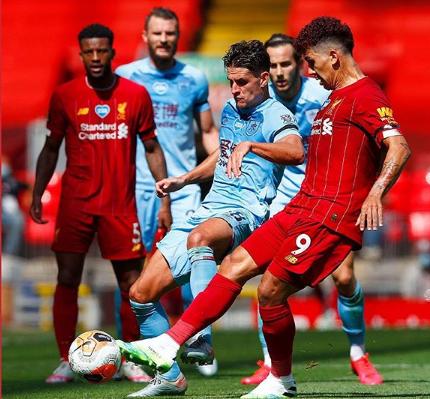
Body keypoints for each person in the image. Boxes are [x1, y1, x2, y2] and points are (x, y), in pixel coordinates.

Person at [116, 17, 411, 399]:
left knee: (272, 290)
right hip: (300, 207)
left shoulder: (366, 96)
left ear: (334, 57)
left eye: (311, 62)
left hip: (329, 215)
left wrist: (376, 193)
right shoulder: (332, 98)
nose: (309, 71)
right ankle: (171, 342)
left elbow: (399, 146)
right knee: (235, 265)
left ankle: (282, 380)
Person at [117, 39, 304, 397]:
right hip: (208, 207)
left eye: (242, 82)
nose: (234, 90)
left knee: (200, 239)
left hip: (245, 211)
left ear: (264, 78)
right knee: (140, 293)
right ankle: (169, 377)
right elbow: (223, 153)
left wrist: (253, 146)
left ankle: (199, 336)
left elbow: (296, 151)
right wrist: (184, 178)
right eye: (231, 81)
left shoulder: (276, 115)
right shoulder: (233, 110)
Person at [240, 33, 383, 386]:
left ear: (299, 64)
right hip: (286, 198)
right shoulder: (264, 101)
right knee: (268, 282)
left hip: (328, 198)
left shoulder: (324, 94)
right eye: (271, 65)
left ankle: (358, 352)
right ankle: (272, 361)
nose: (279, 71)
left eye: (286, 63)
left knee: (345, 276)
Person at [30, 23, 169, 384]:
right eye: (88, 51)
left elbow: (152, 147)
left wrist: (164, 195)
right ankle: (65, 359)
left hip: (120, 206)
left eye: (101, 51)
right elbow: (50, 149)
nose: (95, 57)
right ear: (81, 54)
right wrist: (36, 193)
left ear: (112, 52)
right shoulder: (65, 95)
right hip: (75, 204)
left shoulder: (136, 95)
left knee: (131, 285)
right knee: (67, 278)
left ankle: (131, 358)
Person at [115, 8, 219, 377]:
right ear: (145, 36)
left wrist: (220, 164)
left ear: (178, 35)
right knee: (130, 272)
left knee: (195, 263)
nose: (164, 39)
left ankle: (198, 340)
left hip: (185, 185)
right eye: (157, 33)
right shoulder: (124, 76)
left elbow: (206, 130)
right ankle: (130, 354)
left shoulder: (193, 77)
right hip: (136, 187)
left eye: (170, 33)